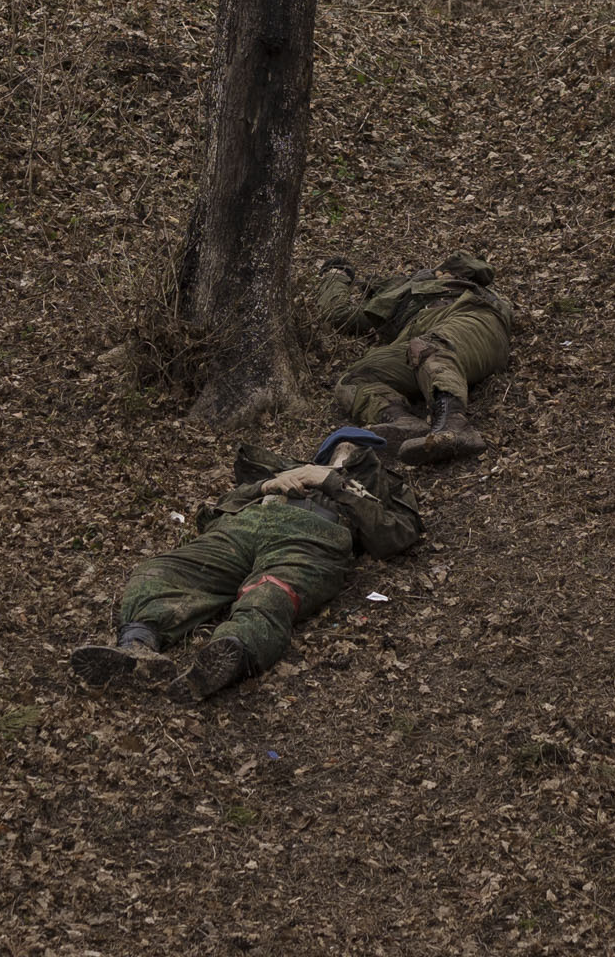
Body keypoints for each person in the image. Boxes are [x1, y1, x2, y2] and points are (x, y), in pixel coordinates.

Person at [71, 432, 427, 703]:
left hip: (312, 537)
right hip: (240, 527)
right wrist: (267, 484)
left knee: (272, 592)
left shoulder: (379, 484)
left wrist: (334, 483)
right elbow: (216, 511)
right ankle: (136, 648)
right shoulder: (284, 469)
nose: (348, 451)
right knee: (163, 571)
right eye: (342, 444)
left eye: (358, 449)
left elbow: (399, 534)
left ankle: (229, 654)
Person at [312, 254, 509, 459]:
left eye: (441, 271)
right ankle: (404, 423)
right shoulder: (408, 296)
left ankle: (454, 425)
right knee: (354, 379)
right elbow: (339, 315)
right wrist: (335, 277)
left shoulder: (471, 296)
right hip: (423, 345)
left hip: (474, 325)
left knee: (428, 347)